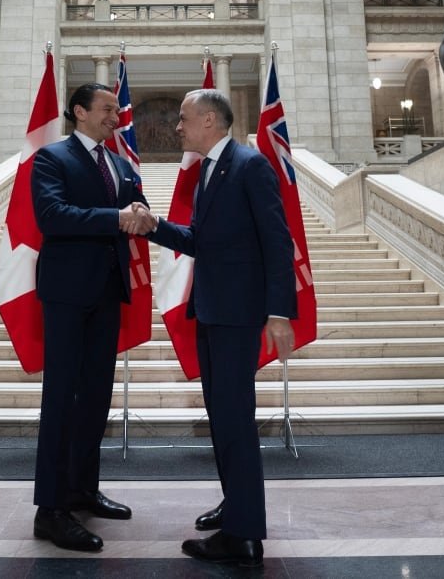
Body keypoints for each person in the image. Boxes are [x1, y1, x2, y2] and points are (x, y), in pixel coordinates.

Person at [139, 88, 296, 568]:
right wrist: (155, 226)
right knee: (224, 420)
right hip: (211, 312)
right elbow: (202, 242)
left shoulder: (249, 166)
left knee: (234, 424)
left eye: (184, 119)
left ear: (209, 120)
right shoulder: (211, 170)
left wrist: (279, 312)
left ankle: (243, 537)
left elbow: (277, 239)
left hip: (236, 316)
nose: (177, 127)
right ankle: (236, 506)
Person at [29, 82, 154, 552]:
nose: (115, 116)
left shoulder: (120, 163)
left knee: (97, 396)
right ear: (79, 111)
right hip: (65, 294)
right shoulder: (52, 158)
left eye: (116, 109)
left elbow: (134, 209)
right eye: (106, 109)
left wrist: (140, 213)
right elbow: (52, 215)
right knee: (62, 398)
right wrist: (115, 218)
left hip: (107, 293)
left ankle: (83, 488)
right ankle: (51, 509)